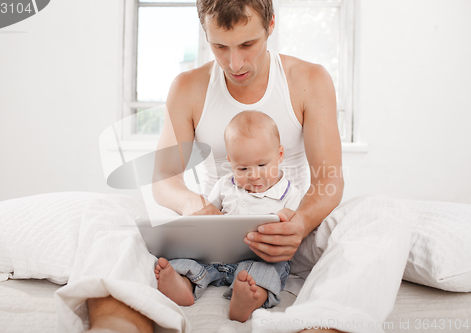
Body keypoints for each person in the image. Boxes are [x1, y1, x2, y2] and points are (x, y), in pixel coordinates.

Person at [73, 1, 414, 332]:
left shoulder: (309, 79)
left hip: (294, 228)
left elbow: (329, 179)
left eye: (248, 44)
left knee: (382, 212)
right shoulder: (188, 88)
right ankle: (118, 325)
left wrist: (301, 222)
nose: (234, 63)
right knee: (106, 211)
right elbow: (163, 177)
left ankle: (323, 326)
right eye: (219, 46)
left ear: (271, 26)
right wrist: (197, 206)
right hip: (218, 229)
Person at [155, 111, 301, 323]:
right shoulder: (225, 185)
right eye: (242, 168)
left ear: (279, 155)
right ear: (231, 162)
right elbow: (207, 214)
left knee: (265, 272)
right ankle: (183, 285)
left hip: (260, 257)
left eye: (262, 165)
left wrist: (288, 219)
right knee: (188, 260)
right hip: (218, 257)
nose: (253, 174)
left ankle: (248, 298)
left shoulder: (290, 193)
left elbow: (297, 225)